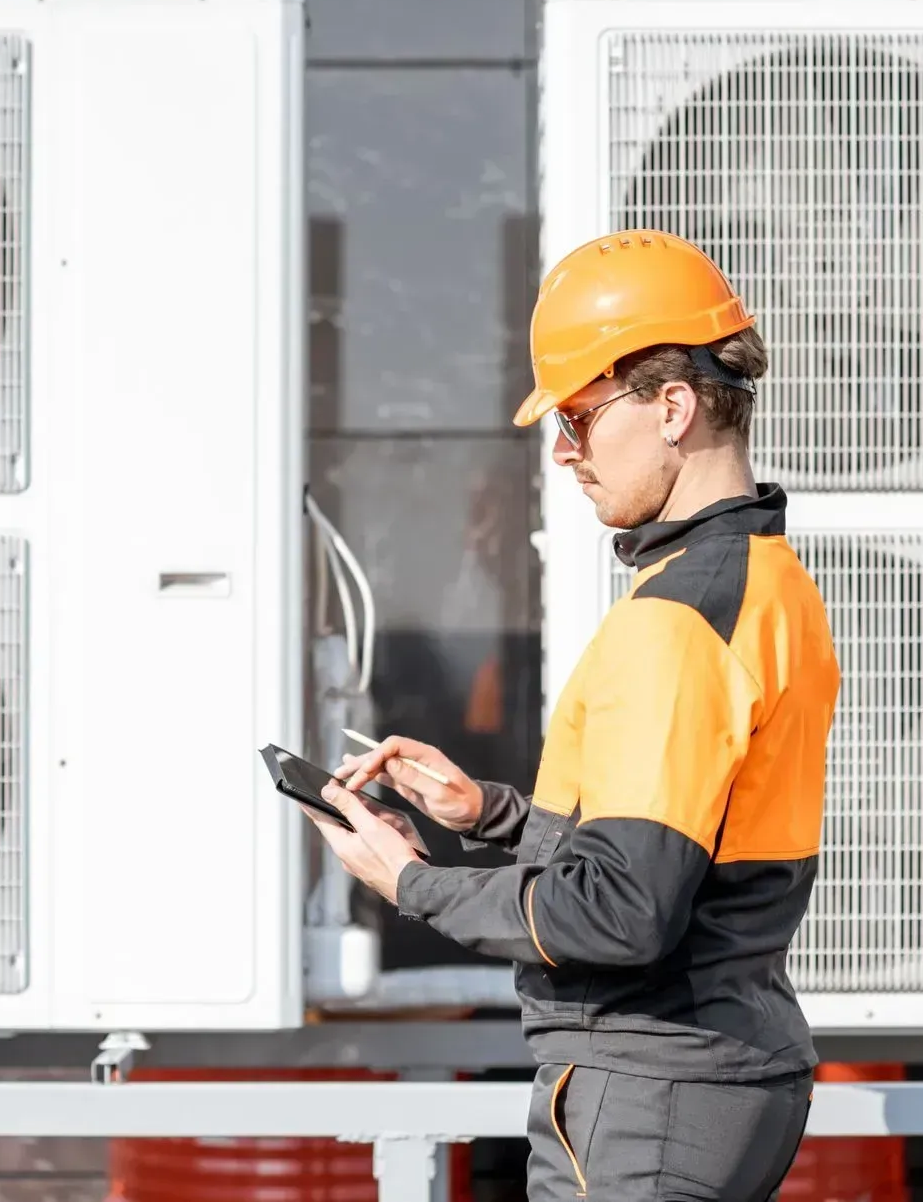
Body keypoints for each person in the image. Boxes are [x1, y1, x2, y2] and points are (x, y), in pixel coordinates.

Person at [300, 229, 842, 1201]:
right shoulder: (766, 582)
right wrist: (493, 817)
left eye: (581, 417)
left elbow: (621, 914)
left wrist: (411, 879)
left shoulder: (676, 618)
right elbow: (697, 838)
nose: (562, 450)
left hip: (651, 1088)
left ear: (671, 407)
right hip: (712, 1063)